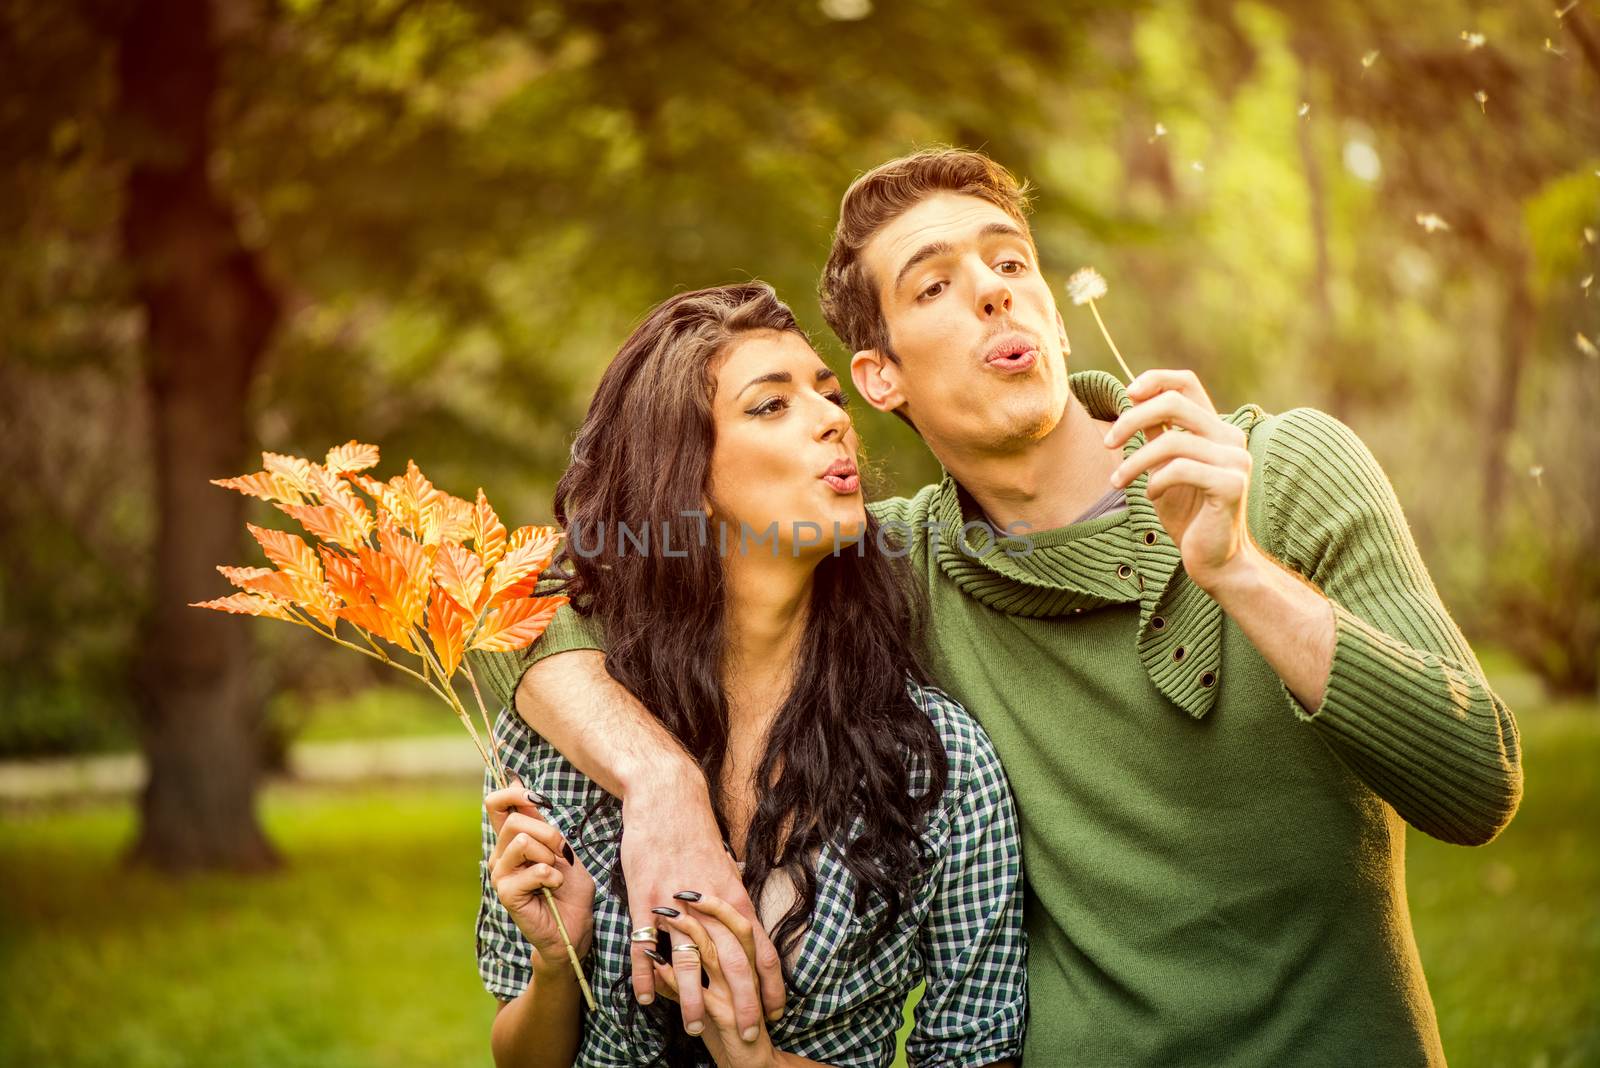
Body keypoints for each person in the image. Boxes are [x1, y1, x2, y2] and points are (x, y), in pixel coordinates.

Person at [472, 149, 1523, 1066]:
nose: (991, 291)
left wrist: (1238, 570)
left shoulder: (1279, 469)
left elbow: (1473, 787)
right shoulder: (895, 561)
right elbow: (544, 596)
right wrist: (661, 785)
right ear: (880, 379)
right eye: (934, 285)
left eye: (1009, 260)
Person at [474, 282, 1027, 1068]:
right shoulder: (562, 733)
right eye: (771, 405)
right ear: (684, 474)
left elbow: (977, 1055)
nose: (835, 418)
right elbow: (520, 1057)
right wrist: (557, 962)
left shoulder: (935, 761)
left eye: (828, 394)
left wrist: (758, 1061)